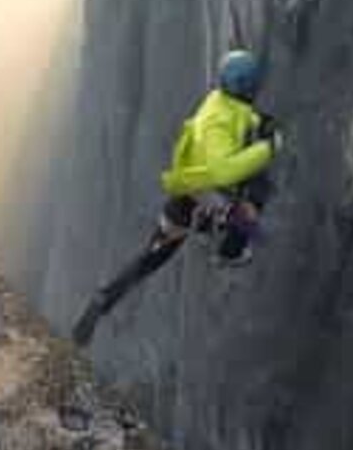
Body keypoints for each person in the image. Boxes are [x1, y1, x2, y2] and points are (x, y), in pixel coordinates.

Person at [72, 49, 283, 346]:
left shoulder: (217, 101)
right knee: (256, 201)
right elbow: (223, 171)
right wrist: (267, 149)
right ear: (249, 86)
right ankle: (230, 250)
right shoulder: (218, 124)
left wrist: (262, 122)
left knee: (151, 258)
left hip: (184, 201)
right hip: (205, 201)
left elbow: (241, 114)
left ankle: (103, 299)